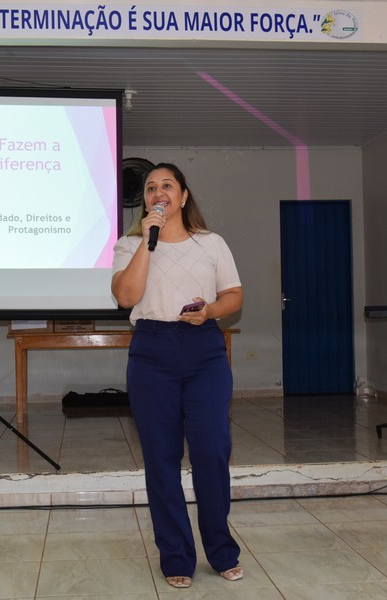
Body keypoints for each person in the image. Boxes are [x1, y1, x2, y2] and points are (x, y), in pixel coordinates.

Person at [111, 163, 244, 589]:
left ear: (184, 196)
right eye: (151, 188)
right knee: (161, 459)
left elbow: (234, 295)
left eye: (167, 185)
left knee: (211, 451)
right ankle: (176, 556)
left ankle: (221, 551)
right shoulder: (130, 244)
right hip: (151, 351)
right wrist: (147, 243)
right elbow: (126, 296)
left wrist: (210, 311)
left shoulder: (211, 243)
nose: (158, 193)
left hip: (204, 349)